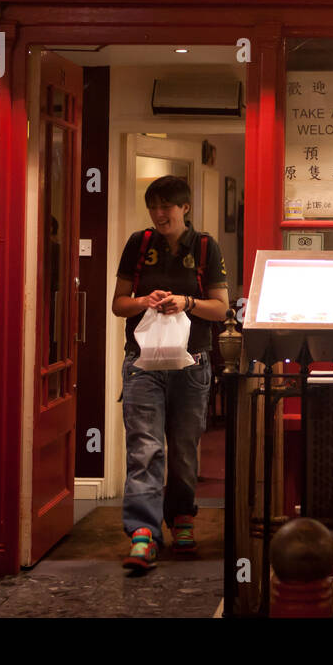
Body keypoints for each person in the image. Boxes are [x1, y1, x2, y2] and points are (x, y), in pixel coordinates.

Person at [112, 175, 229, 573]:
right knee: (144, 447)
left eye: (168, 207)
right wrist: (144, 300)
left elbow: (221, 309)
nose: (160, 214)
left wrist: (186, 301)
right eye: (154, 207)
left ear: (185, 208)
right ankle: (143, 533)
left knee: (182, 448)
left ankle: (182, 519)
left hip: (192, 362)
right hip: (142, 362)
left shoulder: (205, 247)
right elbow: (119, 305)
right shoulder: (138, 243)